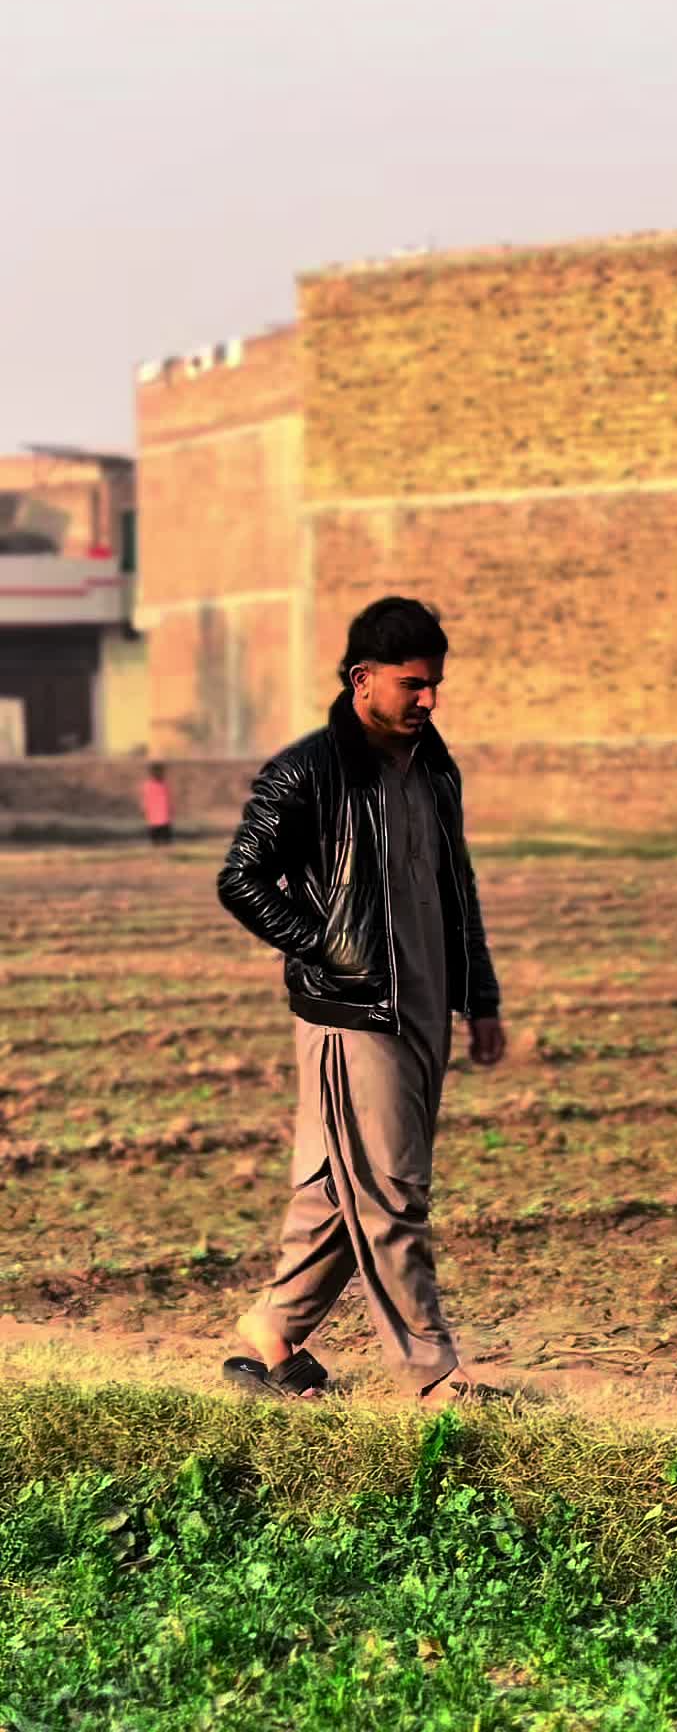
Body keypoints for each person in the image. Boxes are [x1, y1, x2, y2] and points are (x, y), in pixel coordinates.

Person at [216, 597, 508, 1406]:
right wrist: (328, 949)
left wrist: (480, 997)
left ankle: (272, 1329)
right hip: (354, 1015)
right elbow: (241, 879)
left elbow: (457, 888)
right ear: (362, 679)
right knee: (390, 1189)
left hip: (427, 1005)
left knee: (337, 1188)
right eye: (414, 684)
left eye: (435, 684)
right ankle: (431, 1371)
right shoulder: (308, 771)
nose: (430, 699)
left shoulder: (436, 769)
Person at [141, 762, 174, 846]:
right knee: (162, 839)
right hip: (159, 816)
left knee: (160, 840)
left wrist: (145, 810)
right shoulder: (158, 785)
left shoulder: (154, 785)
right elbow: (146, 800)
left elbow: (167, 799)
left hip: (158, 817)